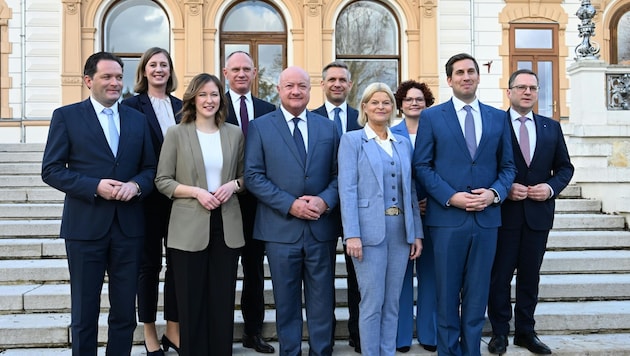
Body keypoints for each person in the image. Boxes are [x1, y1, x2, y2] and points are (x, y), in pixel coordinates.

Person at [41, 51, 156, 355]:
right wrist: (95, 187)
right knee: (84, 312)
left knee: (124, 314)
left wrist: (136, 186)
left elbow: (151, 169)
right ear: (89, 80)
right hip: (84, 229)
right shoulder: (66, 116)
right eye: (107, 76)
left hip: (129, 229)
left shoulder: (138, 119)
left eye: (119, 76)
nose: (115, 83)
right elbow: (50, 170)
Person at [412, 53, 516, 356]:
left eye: (471, 71)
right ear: (449, 80)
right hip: (446, 220)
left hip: (486, 221)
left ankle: (472, 351)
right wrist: (450, 196)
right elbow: (422, 166)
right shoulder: (431, 117)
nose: (466, 76)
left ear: (478, 77)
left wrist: (494, 194)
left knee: (476, 295)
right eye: (459, 72)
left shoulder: (498, 117)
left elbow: (508, 167)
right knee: (446, 296)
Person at [244, 66, 340, 356]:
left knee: (322, 300)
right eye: (289, 86)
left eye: (302, 86)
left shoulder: (327, 127)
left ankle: (321, 351)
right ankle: (291, 352)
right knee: (285, 301)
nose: (296, 91)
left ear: (311, 90)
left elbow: (340, 174)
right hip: (279, 229)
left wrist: (325, 201)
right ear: (279, 90)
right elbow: (253, 176)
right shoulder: (261, 126)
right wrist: (290, 204)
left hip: (320, 228)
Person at [154, 73, 245, 356]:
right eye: (203, 94)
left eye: (215, 94)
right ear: (193, 98)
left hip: (226, 227)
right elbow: (162, 180)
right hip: (188, 229)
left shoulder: (235, 133)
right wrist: (195, 192)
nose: (209, 100)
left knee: (221, 301)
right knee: (191, 303)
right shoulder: (176, 133)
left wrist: (234, 185)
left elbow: (246, 176)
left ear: (222, 99)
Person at [487, 69, 574, 355]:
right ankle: (500, 332)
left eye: (533, 88)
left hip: (538, 215)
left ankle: (526, 332)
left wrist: (550, 188)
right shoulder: (494, 124)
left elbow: (565, 168)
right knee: (499, 276)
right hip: (505, 215)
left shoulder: (551, 127)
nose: (527, 92)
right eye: (521, 87)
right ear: (509, 91)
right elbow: (485, 166)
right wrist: (505, 187)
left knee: (530, 277)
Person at [339, 82, 423, 356]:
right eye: (374, 102)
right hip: (367, 232)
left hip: (400, 231)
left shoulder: (401, 144)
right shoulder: (352, 140)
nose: (380, 107)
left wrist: (416, 233)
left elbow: (409, 190)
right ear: (364, 107)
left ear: (393, 108)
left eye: (385, 102)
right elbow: (347, 189)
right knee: (372, 302)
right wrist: (351, 234)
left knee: (393, 302)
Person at [121, 47, 181, 356]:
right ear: (144, 71)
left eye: (164, 65)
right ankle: (148, 332)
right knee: (149, 266)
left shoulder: (183, 106)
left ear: (171, 71)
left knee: (177, 265)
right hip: (145, 200)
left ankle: (173, 328)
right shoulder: (130, 106)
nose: (159, 69)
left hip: (178, 199)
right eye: (153, 64)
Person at [222, 50, 276, 354]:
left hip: (259, 204)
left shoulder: (268, 109)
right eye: (236, 69)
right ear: (225, 73)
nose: (241, 74)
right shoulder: (215, 105)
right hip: (225, 200)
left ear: (255, 73)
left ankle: (253, 332)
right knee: (225, 270)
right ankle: (220, 331)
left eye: (247, 69)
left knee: (254, 270)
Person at [312, 60, 362, 352]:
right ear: (323, 84)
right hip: (325, 210)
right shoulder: (309, 117)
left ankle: (358, 333)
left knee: (359, 279)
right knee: (323, 280)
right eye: (331, 79)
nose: (337, 84)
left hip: (359, 210)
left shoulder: (363, 117)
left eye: (343, 80)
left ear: (350, 85)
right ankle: (325, 336)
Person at [391, 80, 437, 353]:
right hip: (402, 216)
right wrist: (409, 204)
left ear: (427, 102)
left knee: (431, 275)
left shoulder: (438, 130)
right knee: (402, 276)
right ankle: (402, 336)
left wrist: (432, 199)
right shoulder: (391, 132)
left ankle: (429, 334)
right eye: (408, 99)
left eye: (419, 99)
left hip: (434, 212)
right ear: (401, 103)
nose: (414, 103)